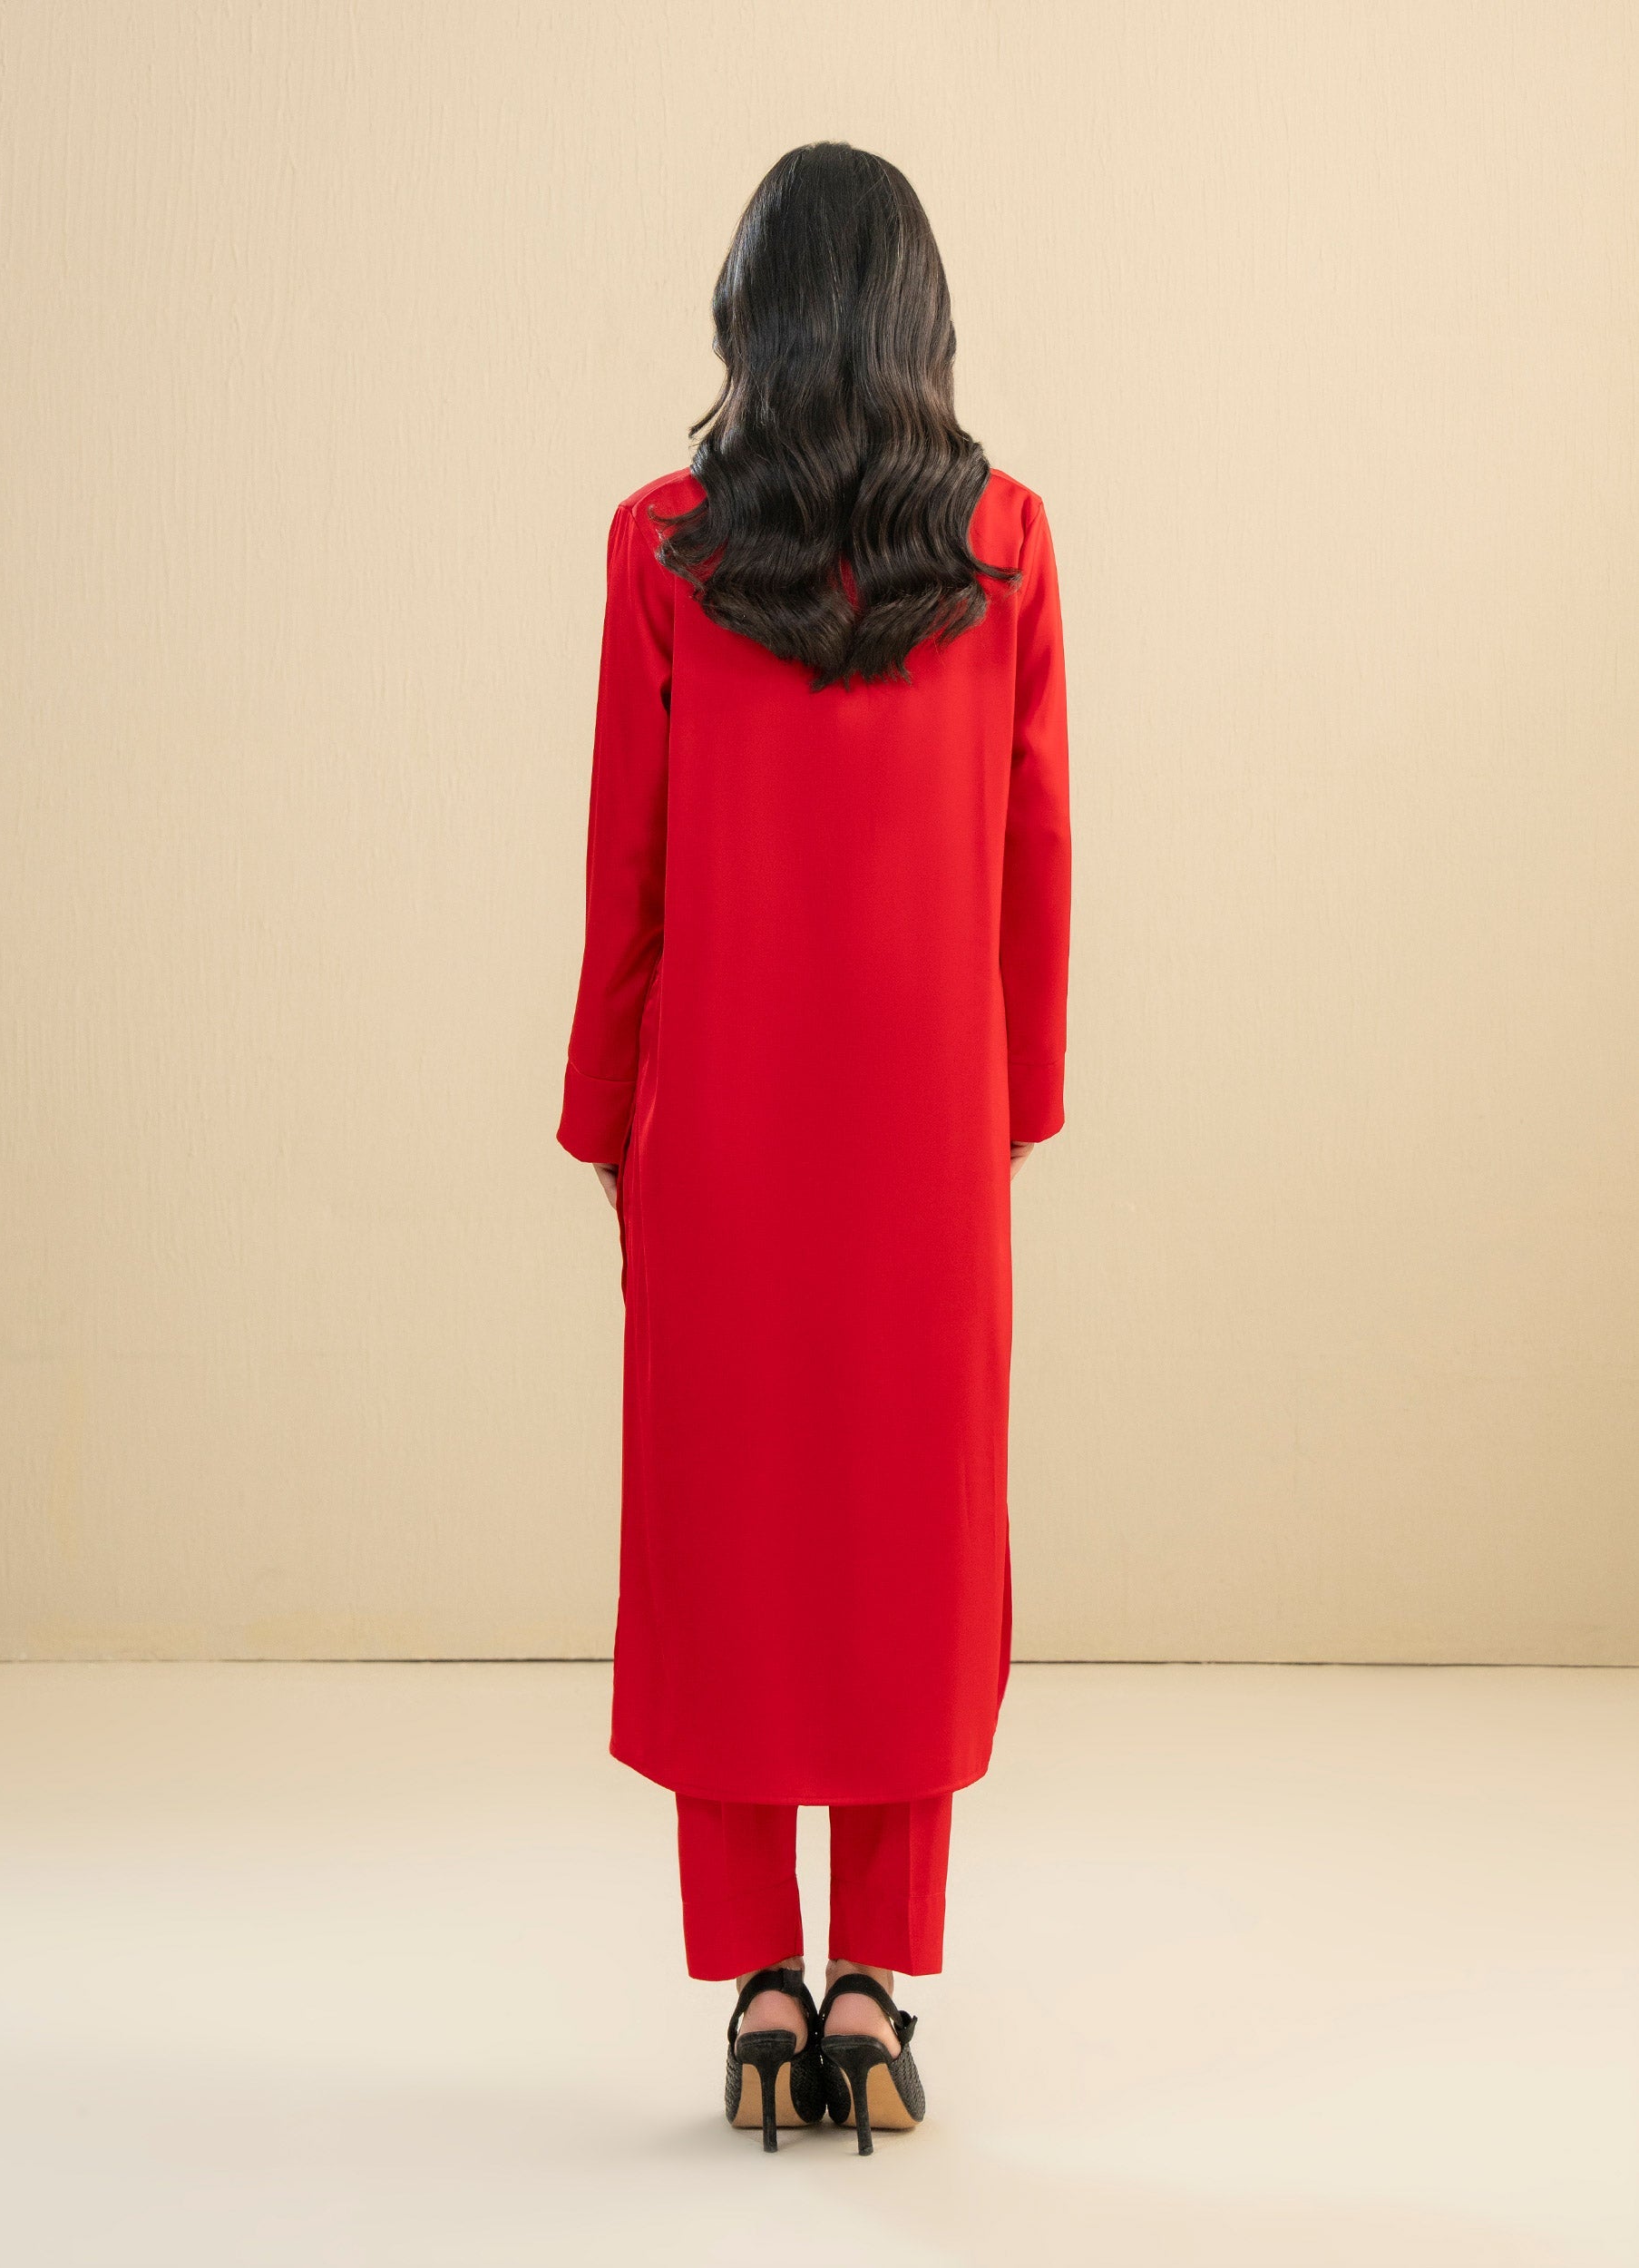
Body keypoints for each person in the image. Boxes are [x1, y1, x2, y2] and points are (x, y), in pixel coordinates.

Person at [555, 142, 1070, 2155]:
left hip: (722, 1127)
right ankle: (874, 1984)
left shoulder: (662, 547)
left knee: (730, 1535)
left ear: (748, 319)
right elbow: (1033, 854)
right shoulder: (1005, 541)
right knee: (905, 1535)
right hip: (928, 1128)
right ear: (919, 322)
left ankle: (758, 1987)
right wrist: (1010, 1108)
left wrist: (606, 1111)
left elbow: (630, 868)